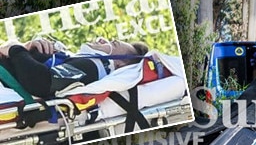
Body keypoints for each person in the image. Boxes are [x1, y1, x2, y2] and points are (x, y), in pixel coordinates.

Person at [0, 38, 148, 98]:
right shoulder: (80, 60)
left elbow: (41, 82)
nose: (102, 39)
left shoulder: (92, 67)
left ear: (119, 63)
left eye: (113, 43)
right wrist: (27, 46)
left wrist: (16, 49)